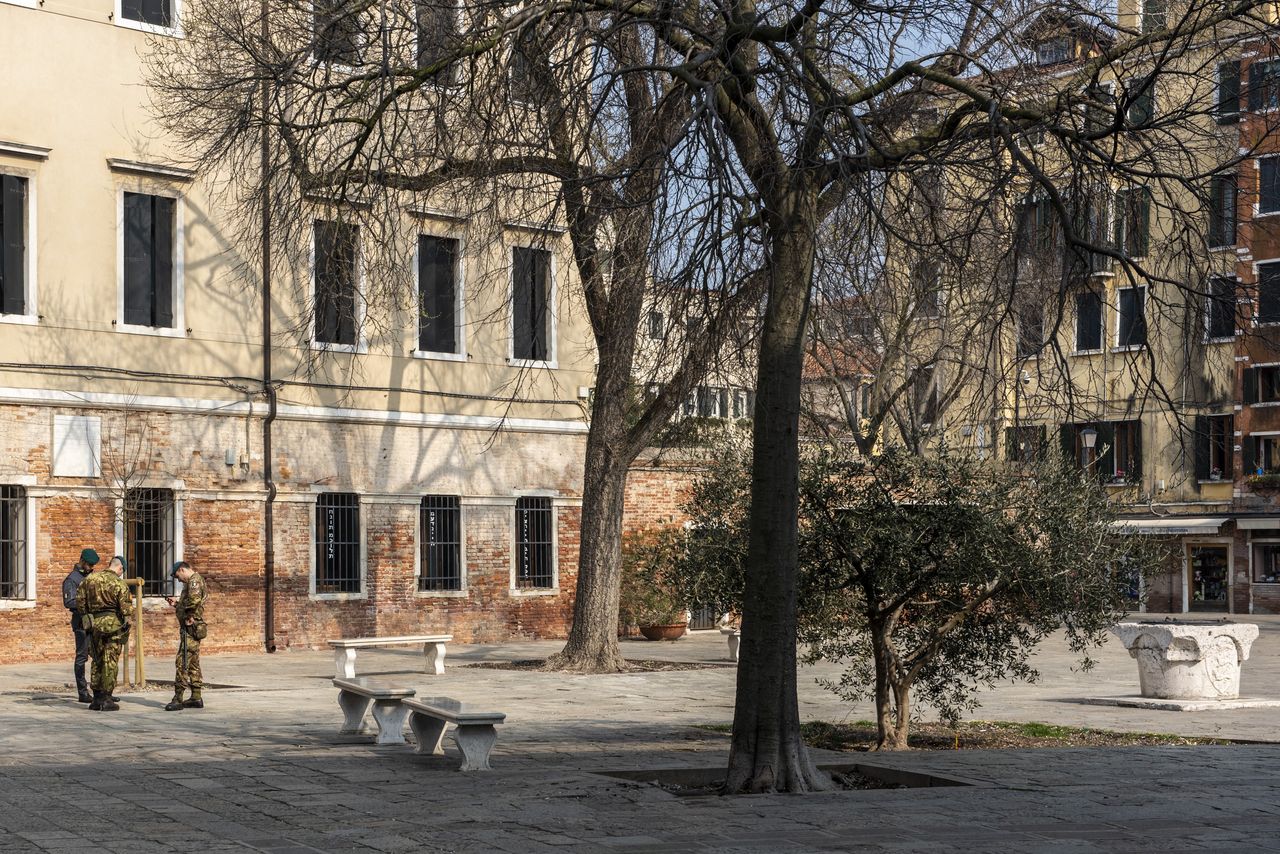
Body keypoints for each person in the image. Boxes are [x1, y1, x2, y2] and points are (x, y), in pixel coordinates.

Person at [75, 553, 134, 711]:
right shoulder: (119, 584)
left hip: (94, 625)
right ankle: (107, 698)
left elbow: (80, 603)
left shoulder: (89, 580)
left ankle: (96, 698)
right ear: (119, 568)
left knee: (97, 660)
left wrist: (89, 619)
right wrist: (127, 623)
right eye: (122, 571)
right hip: (113, 626)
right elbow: (126, 609)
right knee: (110, 661)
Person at [165, 561, 207, 711]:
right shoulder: (193, 582)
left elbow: (194, 602)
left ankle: (178, 698)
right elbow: (191, 602)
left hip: (190, 628)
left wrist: (188, 614)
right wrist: (177, 604)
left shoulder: (194, 581)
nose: (178, 579)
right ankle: (196, 697)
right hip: (192, 627)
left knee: (182, 661)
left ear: (182, 570)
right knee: (193, 662)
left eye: (178, 576)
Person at [61, 549, 99, 703]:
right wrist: (89, 602)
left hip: (95, 622)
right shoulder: (72, 579)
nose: (91, 567)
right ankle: (83, 692)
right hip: (81, 622)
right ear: (82, 561)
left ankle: (100, 691)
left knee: (99, 655)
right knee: (81, 657)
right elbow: (68, 602)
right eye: (89, 564)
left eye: (93, 565)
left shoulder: (91, 576)